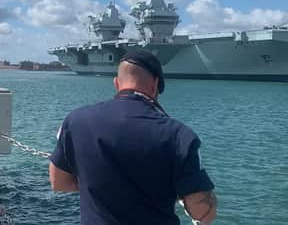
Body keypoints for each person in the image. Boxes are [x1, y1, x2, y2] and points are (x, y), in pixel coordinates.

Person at [49, 50, 217, 224]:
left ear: (116, 83)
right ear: (155, 85)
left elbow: (58, 182)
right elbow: (202, 212)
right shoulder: (180, 135)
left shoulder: (75, 120)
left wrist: (101, 187)